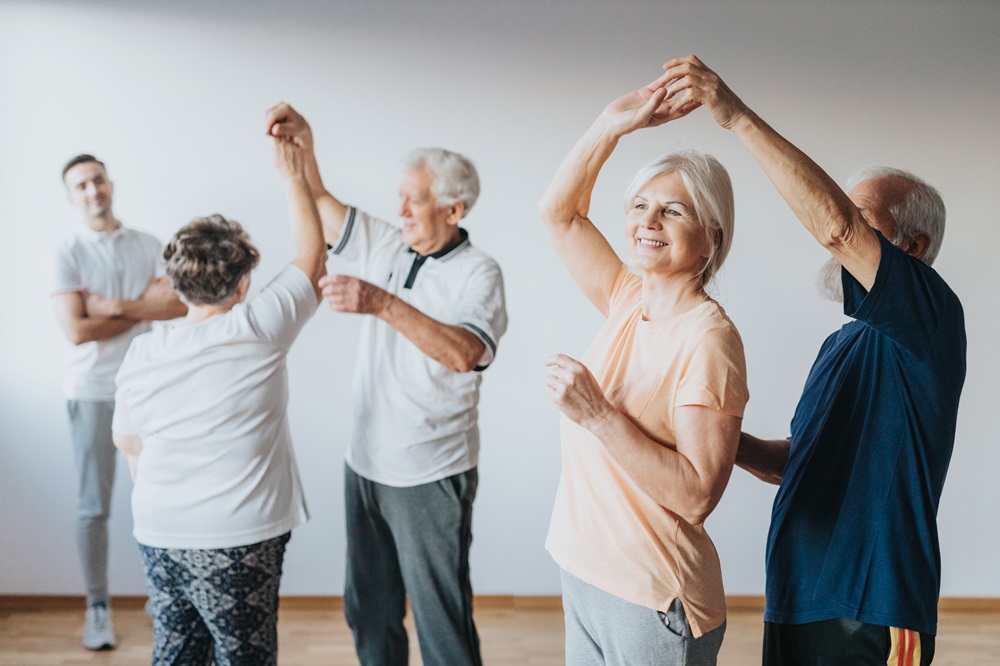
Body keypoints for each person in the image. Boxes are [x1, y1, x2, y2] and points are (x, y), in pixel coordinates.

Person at [661, 55, 966, 665]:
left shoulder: (930, 316)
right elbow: (797, 463)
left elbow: (833, 229)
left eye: (862, 217)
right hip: (799, 595)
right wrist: (718, 440)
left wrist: (737, 117)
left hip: (871, 607)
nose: (839, 224)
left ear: (912, 246)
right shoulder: (843, 342)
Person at [264, 103, 507, 666]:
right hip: (365, 466)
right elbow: (323, 205)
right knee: (369, 613)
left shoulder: (480, 273)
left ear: (455, 207)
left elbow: (465, 352)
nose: (398, 209)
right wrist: (303, 148)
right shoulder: (389, 243)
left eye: (413, 200)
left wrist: (379, 301)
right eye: (399, 196)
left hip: (431, 473)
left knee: (441, 625)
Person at [539, 70, 750, 665]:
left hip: (654, 594)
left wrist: (598, 416)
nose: (648, 221)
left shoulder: (710, 340)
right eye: (640, 205)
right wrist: (613, 122)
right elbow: (558, 214)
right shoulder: (628, 297)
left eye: (673, 211)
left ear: (710, 238)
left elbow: (696, 496)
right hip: (585, 571)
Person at [110, 136, 326, 665]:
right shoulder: (258, 326)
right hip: (237, 538)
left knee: (177, 656)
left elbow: (127, 442)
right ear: (243, 284)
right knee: (245, 658)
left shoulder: (142, 352)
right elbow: (314, 257)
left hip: (159, 529)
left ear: (175, 285)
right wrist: (293, 171)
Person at [51, 154, 186, 650]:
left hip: (148, 387)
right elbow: (77, 330)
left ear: (110, 183)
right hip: (91, 393)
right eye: (81, 185)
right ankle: (98, 607)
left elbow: (175, 304)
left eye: (98, 179)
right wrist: (138, 307)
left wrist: (107, 305)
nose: (93, 190)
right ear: (72, 196)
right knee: (94, 505)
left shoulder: (149, 244)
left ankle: (163, 592)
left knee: (161, 493)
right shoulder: (67, 252)